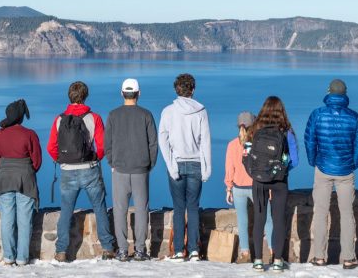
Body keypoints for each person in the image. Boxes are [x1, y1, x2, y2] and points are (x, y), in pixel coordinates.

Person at [47, 81, 117, 261]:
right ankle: (108, 248)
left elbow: (51, 147)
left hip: (67, 171)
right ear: (85, 96)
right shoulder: (93, 118)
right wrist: (95, 158)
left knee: (66, 211)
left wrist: (61, 160)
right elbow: (102, 146)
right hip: (90, 169)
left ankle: (61, 251)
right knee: (100, 207)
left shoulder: (59, 119)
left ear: (69, 96)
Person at [304, 79, 358, 270]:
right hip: (346, 171)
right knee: (347, 214)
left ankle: (319, 257)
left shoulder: (317, 115)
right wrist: (354, 163)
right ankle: (348, 258)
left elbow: (309, 140)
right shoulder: (354, 117)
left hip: (322, 168)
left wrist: (313, 160)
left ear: (329, 92)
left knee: (320, 213)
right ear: (345, 93)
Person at [158, 73, 211, 262]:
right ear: (193, 90)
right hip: (196, 163)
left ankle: (179, 250)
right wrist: (207, 168)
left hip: (177, 164)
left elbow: (162, 140)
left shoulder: (168, 112)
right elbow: (205, 141)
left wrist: (171, 164)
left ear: (176, 89)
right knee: (193, 207)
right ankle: (194, 250)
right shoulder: (201, 111)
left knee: (179, 207)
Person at [104, 78, 158, 262]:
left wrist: (112, 162)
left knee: (120, 210)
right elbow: (153, 143)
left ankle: (122, 250)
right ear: (138, 93)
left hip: (119, 169)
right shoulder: (146, 115)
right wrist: (149, 164)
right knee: (142, 209)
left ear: (122, 93)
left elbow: (107, 144)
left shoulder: (113, 115)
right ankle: (141, 250)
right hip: (141, 169)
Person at [244, 96, 298, 272]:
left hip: (258, 180)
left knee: (259, 219)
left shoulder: (254, 130)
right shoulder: (286, 131)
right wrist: (281, 168)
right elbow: (295, 161)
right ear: (281, 112)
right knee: (279, 220)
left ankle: (258, 261)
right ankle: (277, 261)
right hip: (279, 181)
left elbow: (246, 156)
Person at [0, 99, 42, 267]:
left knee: (7, 219)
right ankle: (22, 258)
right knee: (25, 220)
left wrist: (6, 168)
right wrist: (26, 169)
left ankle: (9, 257)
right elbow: (37, 161)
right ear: (20, 117)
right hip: (25, 178)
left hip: (4, 179)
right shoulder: (29, 134)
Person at [224, 110, 272, 264]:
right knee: (268, 220)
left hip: (238, 188)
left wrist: (228, 188)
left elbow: (229, 168)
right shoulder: (260, 143)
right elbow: (265, 166)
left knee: (242, 221)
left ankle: (245, 253)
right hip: (257, 186)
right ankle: (272, 251)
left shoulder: (232, 145)